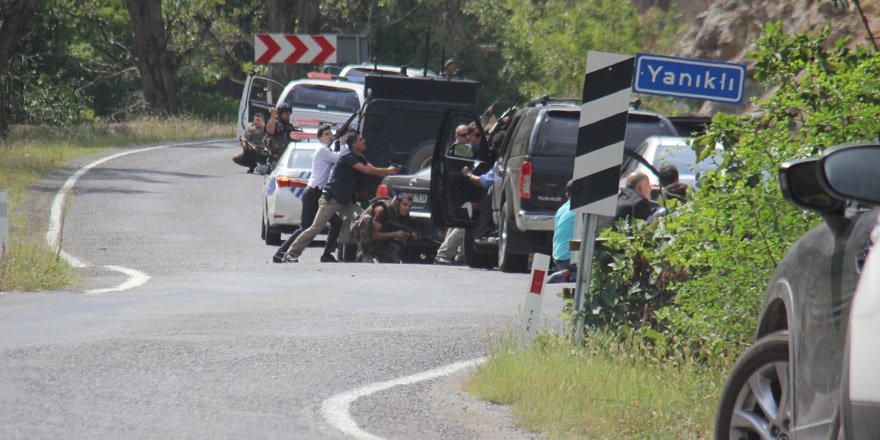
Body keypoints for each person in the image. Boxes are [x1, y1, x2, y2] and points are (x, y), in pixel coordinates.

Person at [275, 132, 400, 263]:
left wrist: (389, 171)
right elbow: (366, 170)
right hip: (332, 200)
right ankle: (291, 253)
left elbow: (371, 168)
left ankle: (364, 254)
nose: (364, 141)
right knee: (316, 227)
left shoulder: (359, 157)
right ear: (353, 144)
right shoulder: (347, 156)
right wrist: (388, 170)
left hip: (345, 201)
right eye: (360, 140)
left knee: (364, 218)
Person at [273, 125, 344, 263]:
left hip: (318, 194)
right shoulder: (322, 150)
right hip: (313, 193)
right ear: (320, 138)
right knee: (306, 227)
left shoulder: (326, 150)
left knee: (336, 222)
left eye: (331, 134)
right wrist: (342, 145)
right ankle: (281, 252)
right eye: (327, 134)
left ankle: (327, 254)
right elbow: (339, 159)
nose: (330, 136)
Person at [434, 165, 497, 265]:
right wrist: (468, 174)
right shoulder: (498, 165)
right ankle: (443, 255)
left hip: (485, 204)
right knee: (465, 226)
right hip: (479, 204)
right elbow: (485, 181)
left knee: (463, 224)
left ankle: (460, 256)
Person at [351, 195, 417, 263]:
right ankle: (365, 255)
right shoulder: (381, 210)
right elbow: (373, 236)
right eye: (404, 204)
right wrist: (396, 234)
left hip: (383, 238)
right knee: (367, 219)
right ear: (397, 203)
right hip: (362, 233)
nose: (407, 208)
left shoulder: (404, 216)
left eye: (409, 206)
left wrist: (410, 235)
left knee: (393, 262)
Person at [548, 180, 576, 283]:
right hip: (570, 256)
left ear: (567, 195)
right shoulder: (580, 209)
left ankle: (566, 273)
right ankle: (569, 273)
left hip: (558, 255)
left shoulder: (561, 209)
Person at [264, 105, 295, 169]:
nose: (288, 116)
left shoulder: (289, 126)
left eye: (289, 114)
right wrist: (273, 115)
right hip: (275, 159)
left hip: (287, 157)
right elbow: (270, 131)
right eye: (286, 114)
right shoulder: (275, 123)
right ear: (280, 114)